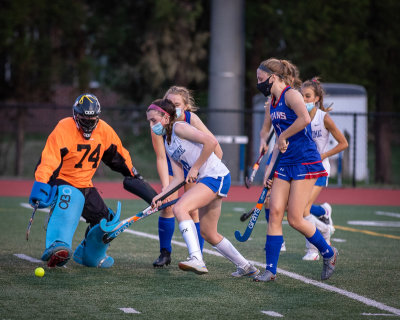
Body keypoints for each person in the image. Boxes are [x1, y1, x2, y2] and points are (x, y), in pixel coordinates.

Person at [29, 93, 157, 268]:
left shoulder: (104, 130)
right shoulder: (64, 128)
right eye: (84, 119)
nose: (89, 123)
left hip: (85, 184)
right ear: (76, 115)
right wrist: (42, 183)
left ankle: (88, 255)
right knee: (71, 197)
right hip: (63, 180)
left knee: (106, 222)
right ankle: (58, 245)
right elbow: (49, 159)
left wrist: (134, 175)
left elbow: (119, 156)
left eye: (92, 119)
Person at [146, 98, 259, 277]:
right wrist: (160, 196)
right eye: (149, 121)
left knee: (181, 208)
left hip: (216, 176)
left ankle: (196, 259)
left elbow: (211, 142)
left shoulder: (179, 128)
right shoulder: (167, 143)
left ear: (166, 118)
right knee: (208, 232)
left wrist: (196, 167)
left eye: (154, 120)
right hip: (209, 179)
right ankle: (245, 266)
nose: (152, 125)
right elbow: (178, 178)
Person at [253, 58, 338, 282]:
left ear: (273, 77)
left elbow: (304, 120)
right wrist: (268, 170)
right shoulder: (271, 102)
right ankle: (270, 270)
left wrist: (283, 135)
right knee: (274, 212)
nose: (258, 83)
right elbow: (275, 142)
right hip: (284, 162)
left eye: (261, 79)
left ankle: (329, 253)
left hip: (304, 161)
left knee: (295, 218)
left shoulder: (291, 95)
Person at [151, 86, 223, 267]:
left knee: (192, 210)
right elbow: (161, 157)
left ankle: (197, 257)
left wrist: (201, 172)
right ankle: (165, 253)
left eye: (176, 104)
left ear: (185, 106)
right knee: (168, 208)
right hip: (172, 164)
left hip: (194, 165)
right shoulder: (157, 123)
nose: (172, 107)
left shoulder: (191, 119)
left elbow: (217, 150)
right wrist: (165, 188)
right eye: (169, 103)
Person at [301, 77, 348, 260]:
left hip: (320, 169)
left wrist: (323, 155)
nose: (304, 100)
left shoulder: (324, 118)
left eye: (308, 96)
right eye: (302, 96)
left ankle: (313, 249)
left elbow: (343, 143)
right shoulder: (300, 117)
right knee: (298, 210)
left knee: (303, 211)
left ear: (316, 99)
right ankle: (323, 213)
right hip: (303, 170)